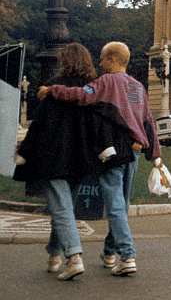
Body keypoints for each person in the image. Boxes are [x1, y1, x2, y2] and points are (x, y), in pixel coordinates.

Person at [38, 41, 161, 276]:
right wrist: (155, 153)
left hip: (113, 150)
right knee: (122, 204)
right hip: (133, 151)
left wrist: (51, 90)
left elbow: (79, 95)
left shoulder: (106, 82)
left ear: (113, 59)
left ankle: (127, 255)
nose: (100, 62)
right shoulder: (138, 87)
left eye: (103, 58)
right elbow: (149, 120)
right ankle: (109, 252)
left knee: (114, 205)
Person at [14, 43, 133, 281]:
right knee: (64, 206)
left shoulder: (52, 91)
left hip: (54, 158)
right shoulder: (94, 90)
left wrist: (24, 151)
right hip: (82, 161)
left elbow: (39, 125)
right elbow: (101, 125)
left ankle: (73, 257)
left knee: (61, 208)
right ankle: (54, 253)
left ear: (64, 62)